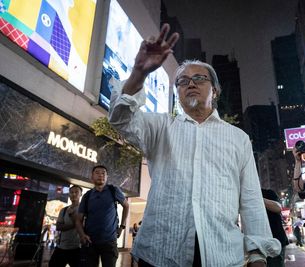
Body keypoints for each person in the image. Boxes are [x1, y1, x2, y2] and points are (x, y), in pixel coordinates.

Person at [108, 23, 281, 267]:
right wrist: (139, 72)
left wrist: (257, 256)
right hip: (158, 255)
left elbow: (251, 199)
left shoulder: (238, 138)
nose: (190, 83)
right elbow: (119, 119)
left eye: (199, 78)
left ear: (216, 90)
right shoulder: (160, 127)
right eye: (182, 81)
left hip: (223, 257)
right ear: (177, 92)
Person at [75, 165, 130, 267]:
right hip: (90, 242)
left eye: (103, 173)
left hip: (109, 242)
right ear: (92, 177)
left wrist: (122, 227)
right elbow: (78, 220)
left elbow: (126, 206)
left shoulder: (114, 190)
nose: (101, 175)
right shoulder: (87, 196)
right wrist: (82, 235)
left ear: (107, 176)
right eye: (97, 173)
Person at [48, 185, 82, 267]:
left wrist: (72, 215)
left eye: (76, 192)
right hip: (62, 247)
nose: (73, 194)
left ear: (81, 194)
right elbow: (58, 227)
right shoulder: (64, 210)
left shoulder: (84, 210)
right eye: (71, 192)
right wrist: (76, 224)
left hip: (77, 248)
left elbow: (83, 227)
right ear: (69, 195)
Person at [261, 189, 289, 267]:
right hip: (257, 242)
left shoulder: (268, 193)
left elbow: (278, 208)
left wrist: (258, 198)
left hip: (275, 240)